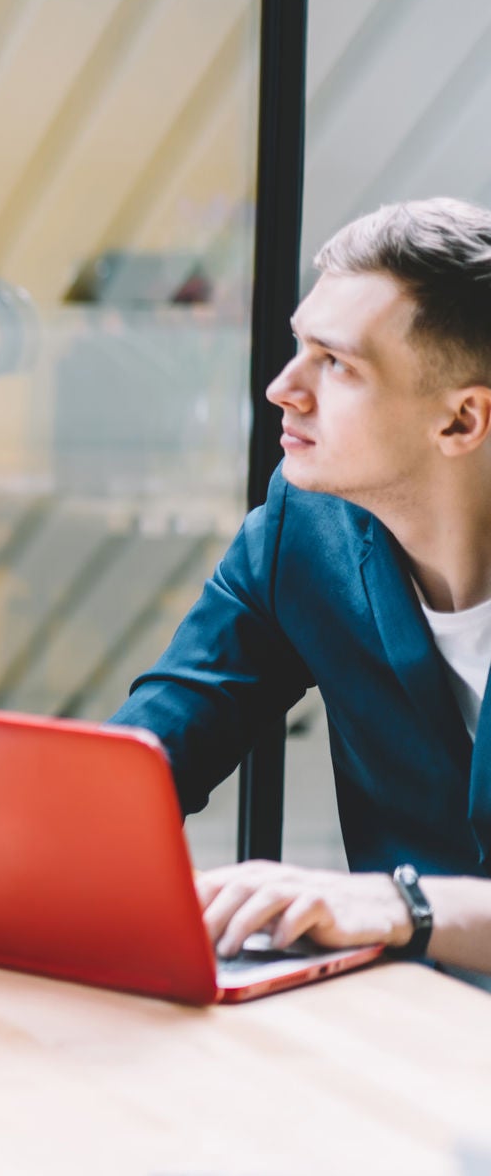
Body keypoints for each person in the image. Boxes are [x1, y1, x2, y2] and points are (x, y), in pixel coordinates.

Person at [112, 198, 491, 978]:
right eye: (298, 347)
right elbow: (146, 756)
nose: (284, 388)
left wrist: (400, 907)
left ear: (461, 422)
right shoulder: (304, 531)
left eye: (338, 363)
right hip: (410, 1034)